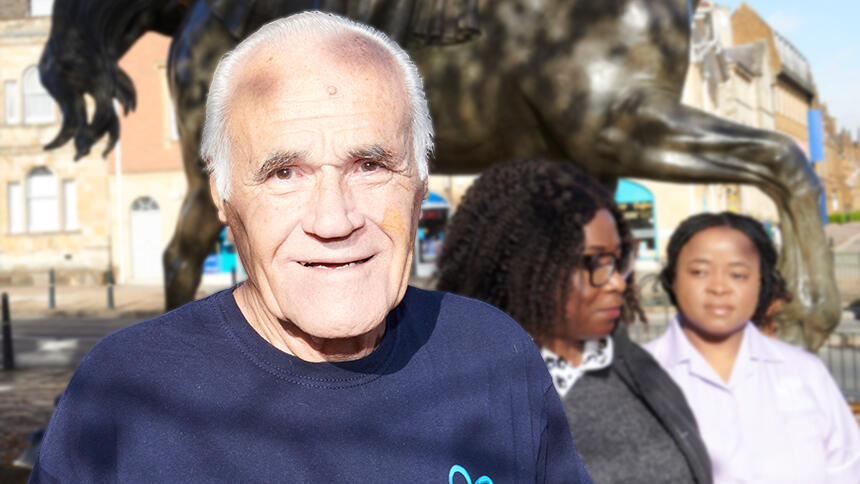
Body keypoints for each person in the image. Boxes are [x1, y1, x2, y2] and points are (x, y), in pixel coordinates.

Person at [30, 13, 590, 483]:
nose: (333, 219)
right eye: (283, 173)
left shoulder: (494, 356)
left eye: (370, 166)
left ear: (420, 182)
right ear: (223, 198)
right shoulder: (122, 392)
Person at [436, 159, 712, 483]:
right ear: (525, 269)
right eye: (594, 262)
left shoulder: (634, 365)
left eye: (617, 260)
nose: (617, 282)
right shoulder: (466, 394)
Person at [645, 212, 860, 482]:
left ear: (761, 283)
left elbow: (847, 469)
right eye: (699, 271)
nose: (719, 287)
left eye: (738, 274)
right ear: (673, 278)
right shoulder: (638, 377)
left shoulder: (804, 372)